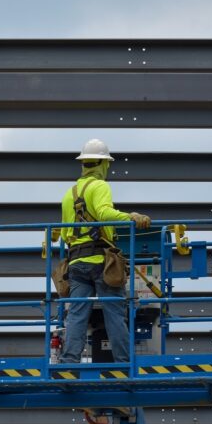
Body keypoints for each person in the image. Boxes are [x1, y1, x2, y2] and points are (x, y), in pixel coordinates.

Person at [56, 139, 150, 363]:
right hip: (101, 262)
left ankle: (69, 363)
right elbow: (105, 213)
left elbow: (62, 233)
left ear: (84, 164)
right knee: (114, 312)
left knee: (77, 314)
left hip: (76, 262)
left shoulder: (69, 194)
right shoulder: (100, 186)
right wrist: (131, 217)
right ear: (102, 164)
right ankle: (124, 363)